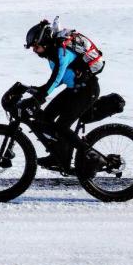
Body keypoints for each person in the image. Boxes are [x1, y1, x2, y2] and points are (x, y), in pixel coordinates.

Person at [23, 18, 100, 171]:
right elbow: (60, 79)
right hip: (75, 89)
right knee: (45, 119)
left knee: (62, 126)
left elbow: (57, 77)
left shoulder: (61, 52)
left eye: (36, 46)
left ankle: (91, 157)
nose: (34, 50)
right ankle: (59, 155)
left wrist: (40, 97)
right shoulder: (53, 53)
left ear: (44, 42)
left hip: (86, 90)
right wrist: (40, 90)